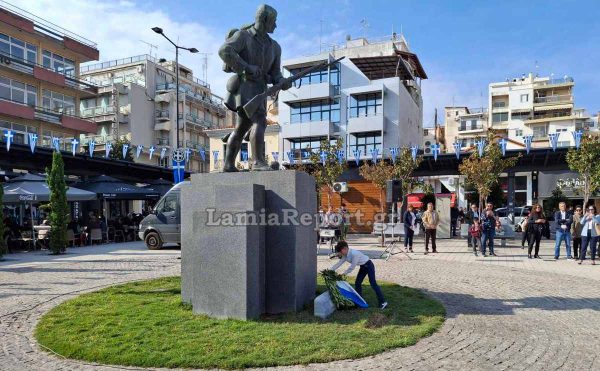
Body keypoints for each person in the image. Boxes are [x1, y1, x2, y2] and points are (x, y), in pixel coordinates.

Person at [219, 4, 292, 171]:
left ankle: (228, 165)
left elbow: (275, 73)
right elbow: (224, 50)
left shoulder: (275, 47)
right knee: (259, 120)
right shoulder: (243, 36)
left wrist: (283, 81)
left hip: (260, 89)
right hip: (245, 86)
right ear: (264, 20)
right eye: (273, 21)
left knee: (242, 127)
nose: (275, 25)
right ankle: (257, 161)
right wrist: (246, 67)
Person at [330, 241, 388, 309]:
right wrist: (329, 270)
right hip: (363, 267)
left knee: (373, 283)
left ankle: (383, 302)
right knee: (357, 283)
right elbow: (339, 263)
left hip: (369, 265)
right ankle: (359, 301)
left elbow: (352, 266)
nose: (340, 253)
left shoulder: (354, 254)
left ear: (345, 248)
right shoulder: (345, 255)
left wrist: (343, 274)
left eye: (340, 251)